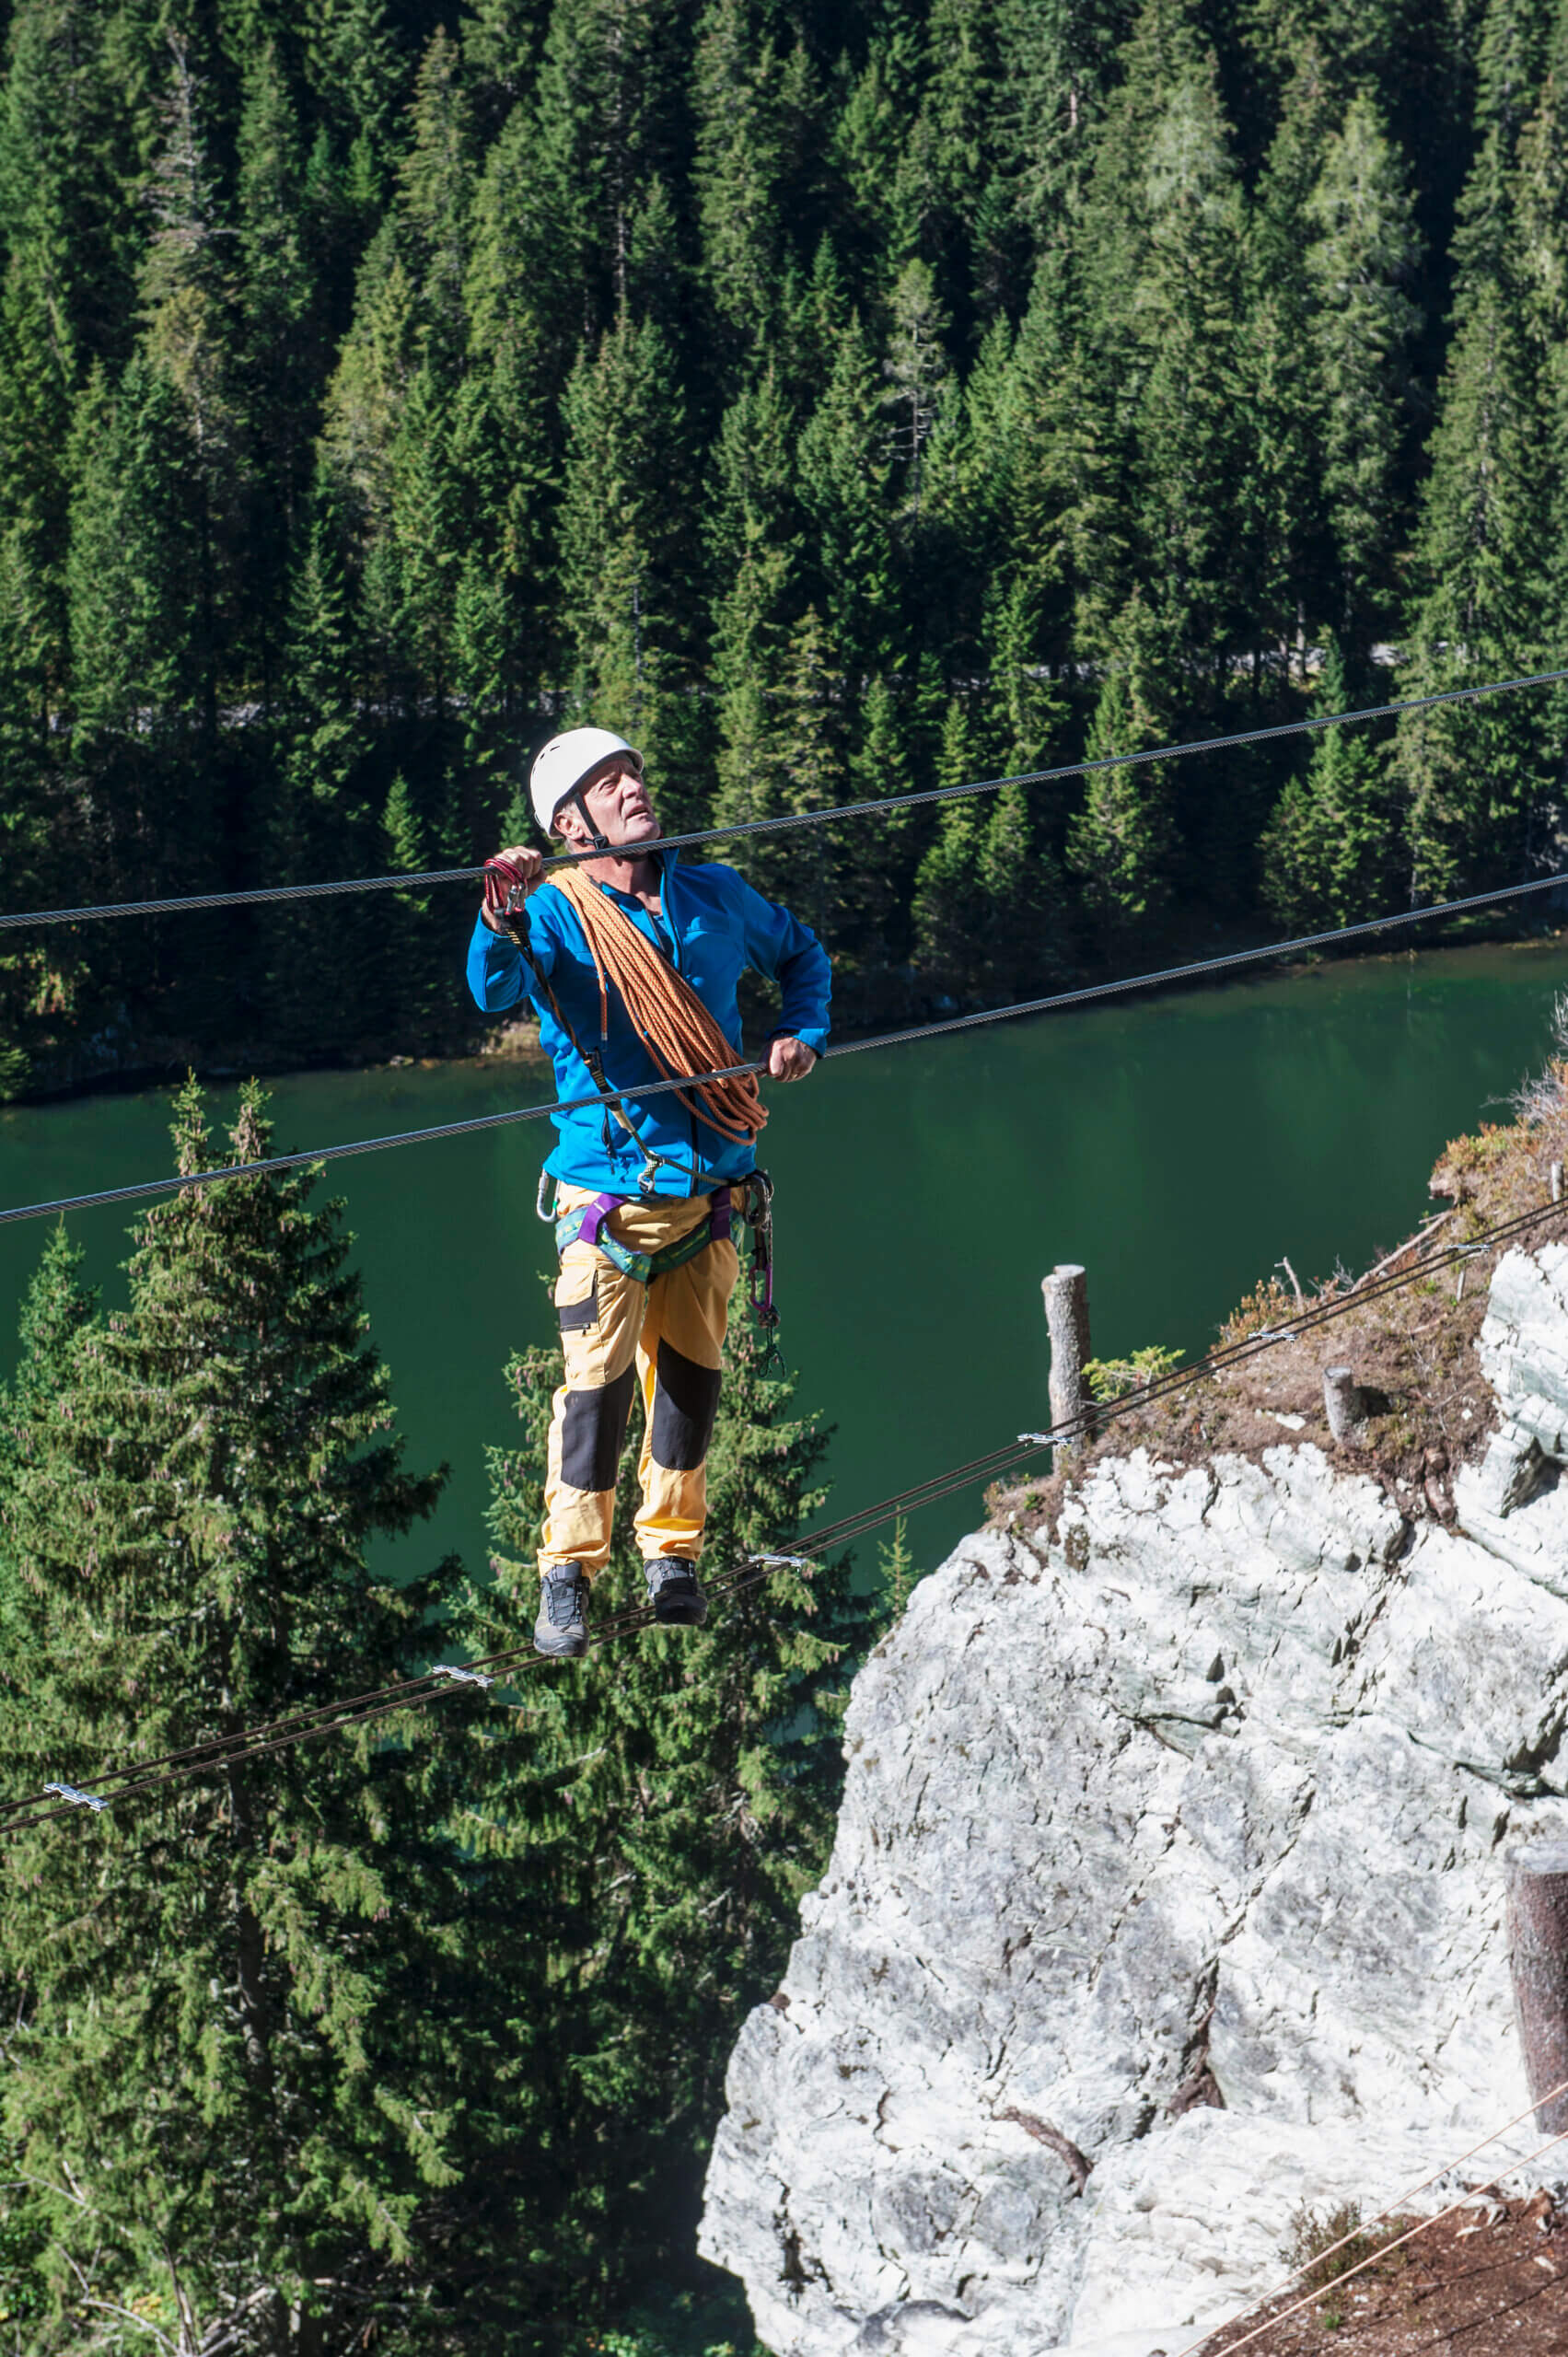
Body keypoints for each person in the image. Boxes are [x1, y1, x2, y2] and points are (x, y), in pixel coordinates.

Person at [468, 726, 831, 1660]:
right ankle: (567, 1573)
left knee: (689, 1387)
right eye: (608, 784)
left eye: (632, 774)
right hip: (608, 1203)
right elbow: (492, 983)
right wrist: (497, 910)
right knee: (593, 1393)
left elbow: (802, 958)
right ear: (569, 823)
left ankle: (672, 1554)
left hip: (710, 1193)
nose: (633, 789)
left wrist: (802, 1032)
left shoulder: (713, 894)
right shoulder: (553, 913)